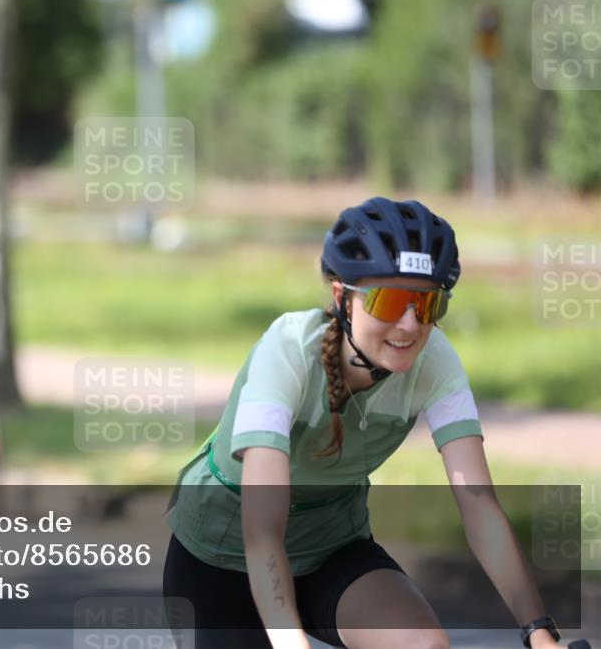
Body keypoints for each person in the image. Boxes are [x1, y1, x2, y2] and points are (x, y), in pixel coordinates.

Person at [163, 198, 565, 649]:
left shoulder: (434, 361)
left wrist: (539, 634)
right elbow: (261, 534)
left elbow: (479, 507)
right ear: (342, 297)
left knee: (423, 645)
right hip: (224, 557)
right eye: (390, 300)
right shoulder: (288, 349)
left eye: (428, 304)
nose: (410, 324)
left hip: (331, 549)